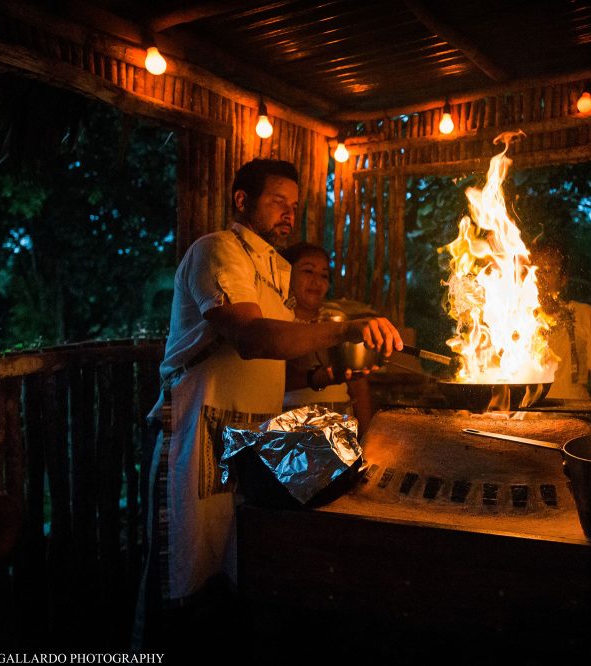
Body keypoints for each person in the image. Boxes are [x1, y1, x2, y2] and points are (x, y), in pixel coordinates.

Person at [135, 159, 402, 644]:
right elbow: (252, 337)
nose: (289, 213)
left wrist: (342, 360)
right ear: (242, 200)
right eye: (278, 201)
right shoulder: (216, 250)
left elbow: (284, 348)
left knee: (240, 578)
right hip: (198, 437)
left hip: (253, 445)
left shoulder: (278, 270)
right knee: (182, 581)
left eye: (295, 206)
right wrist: (345, 326)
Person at [281, 242, 375, 434]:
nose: (317, 281)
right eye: (308, 271)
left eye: (324, 275)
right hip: (289, 421)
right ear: (287, 275)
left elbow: (358, 386)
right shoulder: (279, 319)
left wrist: (369, 438)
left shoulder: (338, 321)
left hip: (339, 417)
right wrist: (315, 378)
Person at [533, 243, 591, 404]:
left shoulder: (585, 316)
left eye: (548, 271)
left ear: (563, 279)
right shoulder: (510, 320)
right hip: (524, 418)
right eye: (535, 271)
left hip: (575, 417)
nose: (539, 278)